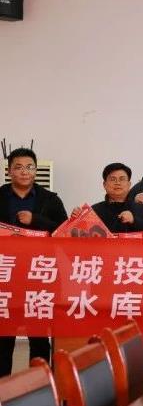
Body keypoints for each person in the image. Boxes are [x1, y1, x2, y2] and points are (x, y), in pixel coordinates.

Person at [0, 147, 67, 376]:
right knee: (3, 338)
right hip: (5, 277)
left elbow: (64, 232)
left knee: (38, 338)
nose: (24, 171)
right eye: (18, 167)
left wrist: (35, 219)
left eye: (29, 167)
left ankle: (40, 386)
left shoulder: (51, 199)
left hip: (39, 275)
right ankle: (3, 390)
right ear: (9, 171)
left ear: (36, 170)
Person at [90, 163, 143, 236]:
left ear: (129, 184)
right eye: (113, 179)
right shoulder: (94, 211)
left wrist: (134, 220)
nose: (117, 183)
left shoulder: (141, 209)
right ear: (104, 185)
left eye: (122, 179)